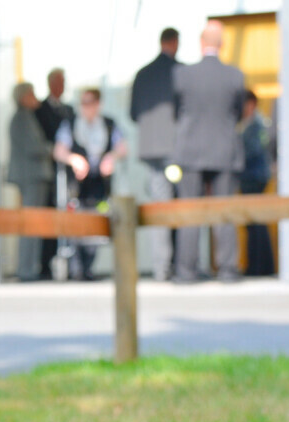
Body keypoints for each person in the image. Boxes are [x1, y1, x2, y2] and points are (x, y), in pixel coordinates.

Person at [172, 20, 244, 283]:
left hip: (191, 151)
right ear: (221, 44)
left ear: (201, 43)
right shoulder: (235, 76)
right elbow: (237, 112)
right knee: (224, 210)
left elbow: (177, 111)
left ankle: (186, 271)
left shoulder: (182, 74)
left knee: (190, 211)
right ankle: (227, 270)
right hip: (224, 150)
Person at [53, 88, 127, 281]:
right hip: (77, 187)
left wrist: (111, 157)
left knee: (97, 223)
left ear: (98, 104)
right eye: (83, 103)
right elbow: (59, 151)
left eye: (90, 103)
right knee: (76, 224)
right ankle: (77, 268)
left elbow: (122, 148)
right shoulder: (71, 124)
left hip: (100, 185)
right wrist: (73, 159)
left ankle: (88, 267)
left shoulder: (109, 124)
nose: (86, 107)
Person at [131, 27, 181, 281]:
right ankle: (184, 266)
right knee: (184, 209)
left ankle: (162, 267)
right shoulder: (181, 72)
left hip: (153, 155)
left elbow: (133, 113)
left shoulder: (142, 74)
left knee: (160, 209)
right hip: (179, 152)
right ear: (175, 42)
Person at [7, 83, 54, 281]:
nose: (35, 97)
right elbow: (34, 146)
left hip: (32, 176)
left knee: (33, 223)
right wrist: (54, 149)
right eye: (31, 94)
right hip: (31, 177)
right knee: (30, 223)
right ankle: (27, 270)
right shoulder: (22, 117)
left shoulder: (25, 117)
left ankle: (29, 268)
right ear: (23, 97)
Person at [34, 68, 75, 279]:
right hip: (48, 173)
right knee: (47, 216)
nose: (62, 86)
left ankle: (75, 265)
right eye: (59, 82)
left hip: (68, 172)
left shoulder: (69, 110)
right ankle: (45, 264)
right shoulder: (40, 110)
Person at [238, 89, 274, 276]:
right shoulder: (255, 123)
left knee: (255, 223)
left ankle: (258, 267)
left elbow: (253, 150)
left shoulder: (255, 124)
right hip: (255, 176)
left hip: (254, 176)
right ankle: (260, 266)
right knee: (256, 223)